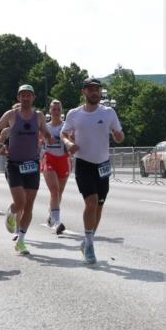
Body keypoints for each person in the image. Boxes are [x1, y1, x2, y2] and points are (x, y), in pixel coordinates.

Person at [60, 78, 124, 265]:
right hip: (84, 163)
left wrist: (119, 136)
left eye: (97, 89)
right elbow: (63, 133)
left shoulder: (109, 112)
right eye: (91, 89)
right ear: (84, 92)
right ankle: (89, 245)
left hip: (103, 164)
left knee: (99, 206)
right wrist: (69, 143)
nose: (94, 92)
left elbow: (119, 135)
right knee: (91, 201)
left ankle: (88, 240)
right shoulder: (74, 114)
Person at [0, 84, 53, 254]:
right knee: (20, 203)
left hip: (32, 164)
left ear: (33, 98)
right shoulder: (11, 115)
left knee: (29, 205)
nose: (26, 98)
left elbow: (46, 132)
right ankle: (12, 212)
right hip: (14, 164)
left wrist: (48, 138)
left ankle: (21, 240)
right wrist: (0, 145)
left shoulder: (38, 116)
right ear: (18, 98)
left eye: (29, 95)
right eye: (22, 95)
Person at [41, 99, 71, 234]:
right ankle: (57, 223)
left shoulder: (66, 126)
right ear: (50, 111)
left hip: (64, 160)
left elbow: (73, 140)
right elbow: (38, 141)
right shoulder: (45, 127)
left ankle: (52, 214)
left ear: (61, 111)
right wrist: (45, 140)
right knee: (54, 190)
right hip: (49, 159)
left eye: (59, 109)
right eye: (54, 109)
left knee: (59, 193)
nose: (56, 112)